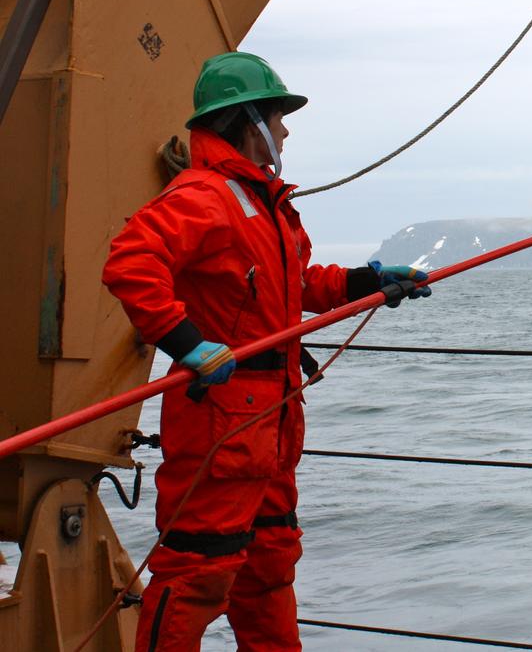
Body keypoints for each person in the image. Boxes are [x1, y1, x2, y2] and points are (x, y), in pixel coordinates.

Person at [103, 52, 427, 651]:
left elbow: (297, 286)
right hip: (221, 421)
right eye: (278, 118)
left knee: (269, 568)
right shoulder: (204, 196)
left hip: (272, 421)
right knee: (197, 574)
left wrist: (368, 282)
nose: (285, 132)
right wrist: (187, 344)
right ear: (249, 122)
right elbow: (130, 262)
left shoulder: (263, 205)